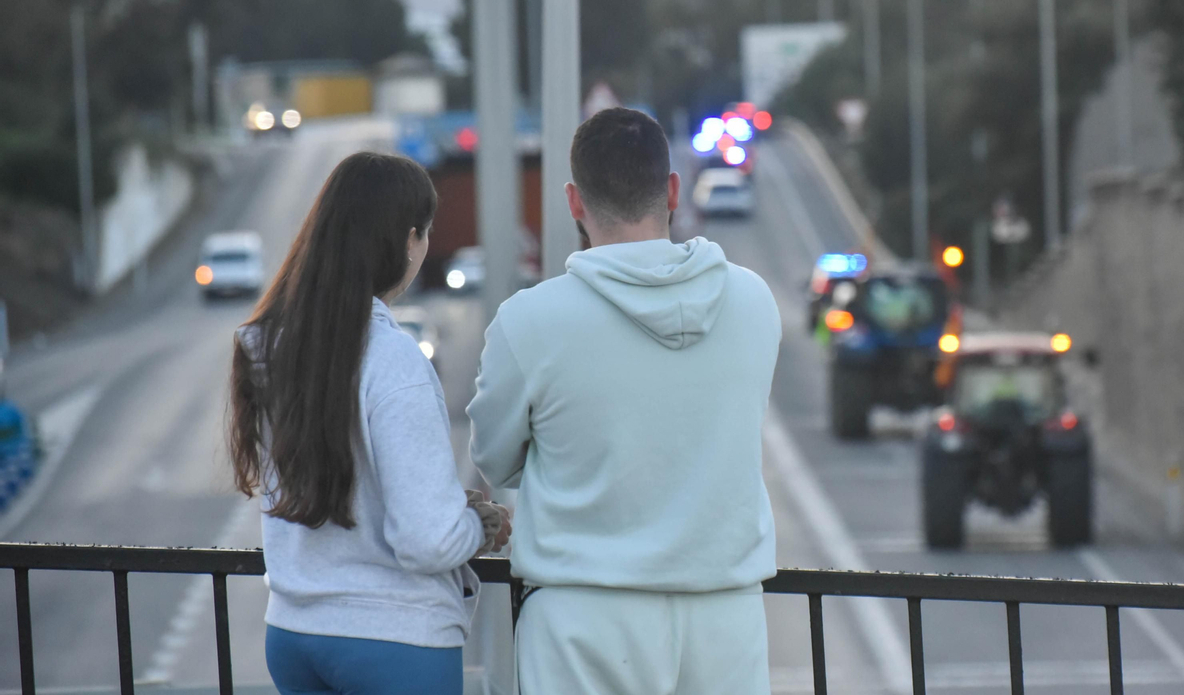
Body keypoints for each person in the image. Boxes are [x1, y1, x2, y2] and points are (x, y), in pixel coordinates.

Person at [469, 108, 781, 694]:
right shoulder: (752, 301)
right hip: (726, 616)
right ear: (670, 189)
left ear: (574, 202)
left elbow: (494, 457)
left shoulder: (529, 322)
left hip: (583, 622)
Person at [228, 151, 512, 695]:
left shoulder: (269, 344)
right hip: (393, 642)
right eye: (425, 234)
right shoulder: (392, 360)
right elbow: (427, 542)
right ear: (407, 240)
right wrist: (479, 525)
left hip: (293, 633)